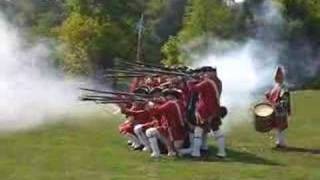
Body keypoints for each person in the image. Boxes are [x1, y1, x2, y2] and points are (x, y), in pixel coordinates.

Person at [182, 66, 226, 158]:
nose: (202, 74)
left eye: (204, 72)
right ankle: (221, 152)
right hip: (212, 109)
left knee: (200, 130)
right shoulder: (214, 81)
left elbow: (194, 89)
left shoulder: (207, 82)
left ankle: (196, 152)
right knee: (215, 130)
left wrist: (188, 81)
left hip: (206, 111)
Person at [145, 89, 187, 158]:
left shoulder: (170, 103)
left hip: (173, 130)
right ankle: (170, 151)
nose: (165, 97)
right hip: (180, 129)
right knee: (177, 150)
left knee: (150, 132)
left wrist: (149, 105)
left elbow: (156, 111)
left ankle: (158, 153)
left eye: (167, 95)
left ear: (171, 96)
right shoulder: (180, 102)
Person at [265, 66, 291, 148]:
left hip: (277, 108)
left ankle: (279, 141)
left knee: (279, 127)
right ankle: (281, 142)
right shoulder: (280, 86)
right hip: (279, 109)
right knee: (281, 127)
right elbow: (283, 98)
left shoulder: (278, 86)